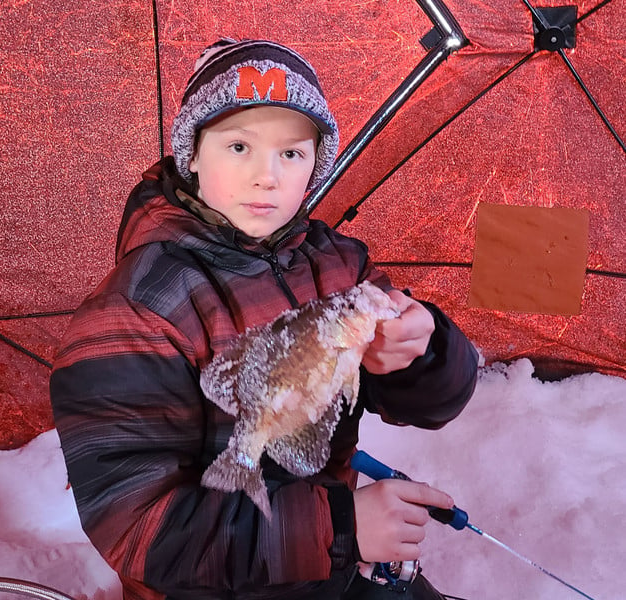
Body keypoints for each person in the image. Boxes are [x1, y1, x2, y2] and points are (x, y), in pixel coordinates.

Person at [50, 38, 479, 600]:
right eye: (237, 147)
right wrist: (340, 527)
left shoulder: (340, 264)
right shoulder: (136, 310)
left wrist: (422, 351)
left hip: (339, 571)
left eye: (292, 154)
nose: (266, 176)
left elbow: (434, 402)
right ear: (192, 154)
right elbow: (138, 529)